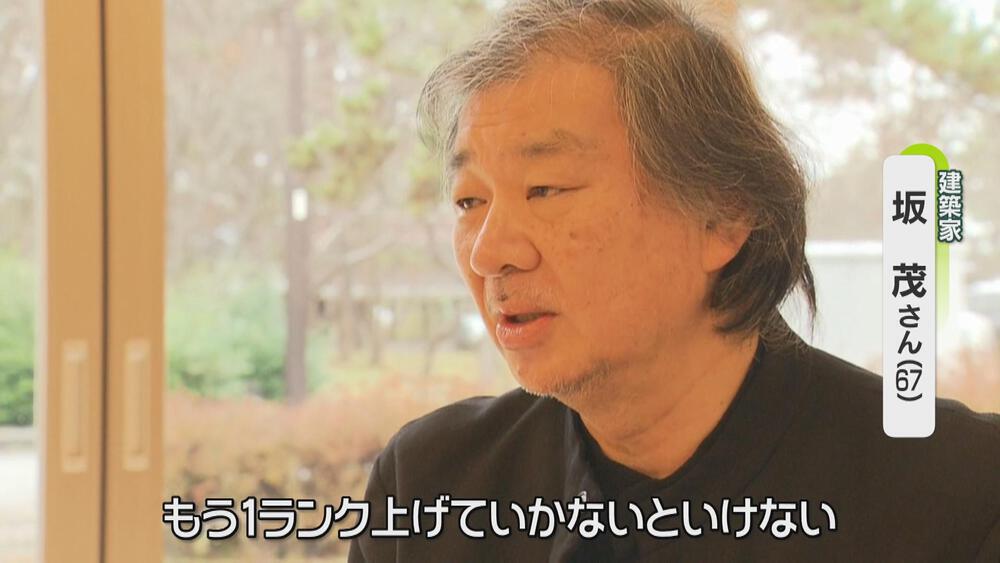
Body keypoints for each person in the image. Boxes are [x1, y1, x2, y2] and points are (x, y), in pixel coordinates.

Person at [348, 0, 1000, 561]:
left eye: (545, 189)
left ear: (723, 216)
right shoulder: (431, 487)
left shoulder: (958, 494)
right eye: (469, 201)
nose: (490, 253)